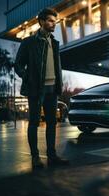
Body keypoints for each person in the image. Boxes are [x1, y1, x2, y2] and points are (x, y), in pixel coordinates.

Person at [14, 8, 69, 168]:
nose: (54, 24)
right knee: (34, 122)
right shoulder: (29, 42)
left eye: (55, 21)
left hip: (53, 89)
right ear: (42, 22)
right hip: (36, 89)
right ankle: (35, 157)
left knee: (52, 123)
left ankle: (52, 156)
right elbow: (18, 65)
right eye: (51, 21)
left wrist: (60, 85)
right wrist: (28, 77)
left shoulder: (54, 42)